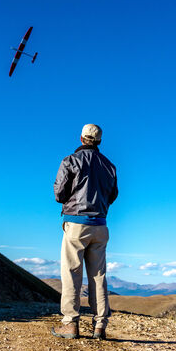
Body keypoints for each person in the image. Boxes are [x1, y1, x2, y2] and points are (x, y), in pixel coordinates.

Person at [52, 124, 118, 340]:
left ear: (81, 138)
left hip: (76, 223)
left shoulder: (70, 160)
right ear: (99, 141)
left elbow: (60, 194)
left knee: (72, 272)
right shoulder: (110, 166)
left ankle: (70, 323)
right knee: (98, 276)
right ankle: (100, 326)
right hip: (100, 225)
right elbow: (113, 194)